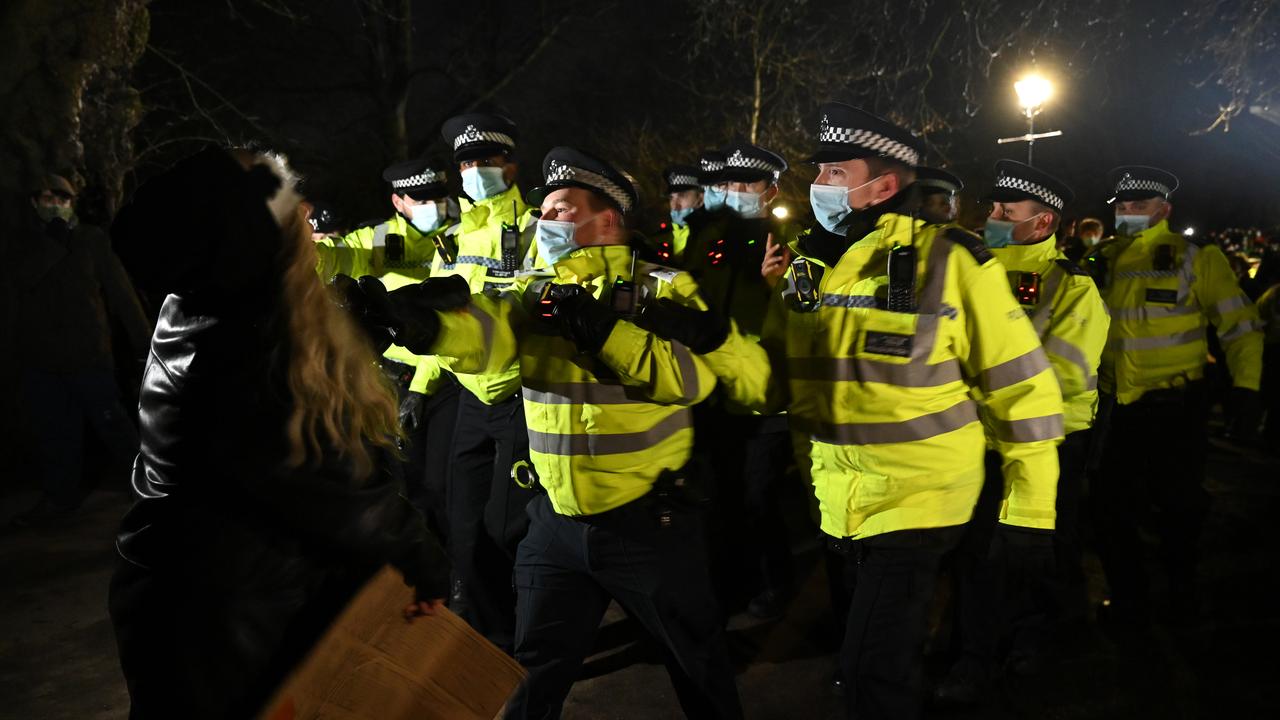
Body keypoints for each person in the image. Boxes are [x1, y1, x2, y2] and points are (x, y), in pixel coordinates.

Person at [386, 147, 744, 719]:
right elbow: (490, 348)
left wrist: (601, 330)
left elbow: (691, 380)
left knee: (696, 667)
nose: (544, 223)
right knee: (530, 675)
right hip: (554, 523)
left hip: (646, 524)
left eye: (560, 210)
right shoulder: (534, 289)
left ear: (607, 220)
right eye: (543, 212)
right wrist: (425, 328)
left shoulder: (664, 287)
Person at [105, 148, 450, 719]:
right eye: (287, 194)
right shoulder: (254, 351)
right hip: (237, 626)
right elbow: (340, 497)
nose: (308, 207)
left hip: (184, 598)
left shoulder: (202, 305)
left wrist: (365, 321)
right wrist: (425, 561)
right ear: (250, 234)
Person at [755, 103, 1063, 720]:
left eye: (835, 173)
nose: (819, 187)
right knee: (866, 661)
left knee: (872, 674)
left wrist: (1029, 514)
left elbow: (1023, 390)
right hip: (843, 495)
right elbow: (788, 371)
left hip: (920, 499)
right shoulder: (816, 264)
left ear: (885, 186)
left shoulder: (952, 262)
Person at [936, 160, 1109, 705]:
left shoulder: (1072, 289)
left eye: (1007, 212)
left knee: (1035, 550)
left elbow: (1052, 382)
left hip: (1046, 442)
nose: (992, 217)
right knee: (980, 555)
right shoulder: (969, 273)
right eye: (992, 209)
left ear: (1044, 224)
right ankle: (978, 645)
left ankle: (1022, 644)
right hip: (976, 440)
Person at [1087, 165, 1264, 627]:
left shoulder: (1195, 259)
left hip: (1174, 410)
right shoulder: (1105, 259)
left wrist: (1246, 391)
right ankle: (1129, 601)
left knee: (1178, 514)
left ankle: (1182, 598)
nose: (1127, 213)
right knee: (1109, 513)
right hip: (1116, 410)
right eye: (1122, 206)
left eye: (1138, 206)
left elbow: (1242, 329)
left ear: (1164, 210)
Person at [434, 111, 539, 652]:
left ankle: (531, 629)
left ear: (510, 166)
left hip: (521, 395)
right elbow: (437, 322)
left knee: (510, 527)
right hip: (471, 393)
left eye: (486, 161)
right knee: (465, 523)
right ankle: (491, 635)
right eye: (467, 162)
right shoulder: (456, 234)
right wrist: (422, 385)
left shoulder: (537, 228)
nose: (475, 170)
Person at [684, 140, 801, 618]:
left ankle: (777, 583)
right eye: (731, 182)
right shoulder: (711, 236)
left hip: (765, 396)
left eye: (747, 183)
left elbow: (806, 318)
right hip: (714, 390)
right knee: (722, 495)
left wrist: (777, 284)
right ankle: (732, 580)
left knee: (759, 499)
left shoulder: (792, 237)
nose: (735, 190)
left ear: (770, 190)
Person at [10, 173, 152, 527]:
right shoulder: (24, 244)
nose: (53, 205)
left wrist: (145, 343)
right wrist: (53, 244)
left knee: (114, 426)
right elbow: (18, 284)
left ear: (71, 202)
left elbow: (121, 293)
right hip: (42, 357)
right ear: (33, 203)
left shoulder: (90, 239)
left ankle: (151, 493)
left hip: (89, 354)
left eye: (60, 198)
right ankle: (60, 498)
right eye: (45, 199)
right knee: (56, 432)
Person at [644, 165, 704, 266]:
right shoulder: (658, 240)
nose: (675, 206)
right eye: (671, 198)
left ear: (700, 199)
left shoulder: (711, 238)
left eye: (682, 196)